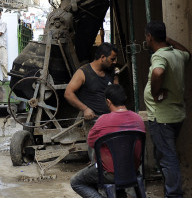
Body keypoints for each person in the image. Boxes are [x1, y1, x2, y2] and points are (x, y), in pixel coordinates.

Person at [70, 84, 146, 198]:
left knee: (76, 182)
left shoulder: (103, 120)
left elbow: (91, 143)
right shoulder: (138, 119)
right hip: (133, 170)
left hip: (110, 173)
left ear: (108, 101)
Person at [144, 21, 190, 198]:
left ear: (149, 37)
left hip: (162, 117)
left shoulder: (159, 56)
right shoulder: (177, 54)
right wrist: (169, 41)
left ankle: (173, 195)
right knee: (163, 156)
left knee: (168, 159)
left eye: (146, 36)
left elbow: (158, 73)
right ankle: (170, 192)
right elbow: (187, 53)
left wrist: (155, 92)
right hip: (175, 114)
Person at [65, 42, 119, 121]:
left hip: (111, 119)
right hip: (93, 121)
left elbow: (116, 95)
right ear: (103, 57)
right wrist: (85, 109)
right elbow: (68, 94)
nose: (115, 62)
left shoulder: (111, 72)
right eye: (112, 59)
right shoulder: (83, 72)